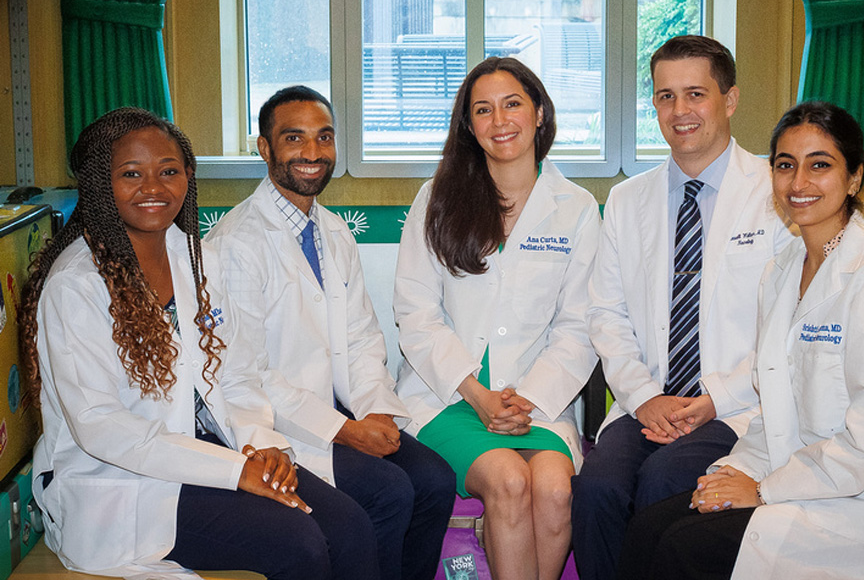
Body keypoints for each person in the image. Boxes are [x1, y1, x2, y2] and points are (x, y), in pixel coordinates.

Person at [20, 107, 378, 580]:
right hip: (125, 481)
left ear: (188, 175)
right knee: (298, 543)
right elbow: (103, 428)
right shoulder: (77, 284)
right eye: (131, 174)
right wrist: (235, 472)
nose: (153, 187)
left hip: (212, 449)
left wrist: (262, 446)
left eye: (168, 171)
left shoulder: (195, 256)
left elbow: (237, 373)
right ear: (99, 185)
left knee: (350, 525)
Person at [618, 101, 864, 580]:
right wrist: (730, 474)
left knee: (684, 547)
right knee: (648, 526)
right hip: (804, 475)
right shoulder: (783, 271)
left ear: (855, 178)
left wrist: (764, 491)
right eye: (785, 165)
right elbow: (772, 404)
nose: (799, 183)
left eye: (820, 165)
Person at [206, 86, 455, 580]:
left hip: (344, 406)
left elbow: (363, 337)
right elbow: (247, 375)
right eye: (294, 138)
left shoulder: (334, 231)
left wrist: (376, 411)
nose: (313, 153)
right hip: (279, 425)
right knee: (390, 492)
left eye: (324, 137)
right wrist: (346, 431)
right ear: (264, 148)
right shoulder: (234, 244)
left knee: (435, 480)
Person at [571, 35, 795, 578]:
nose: (680, 111)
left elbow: (787, 326)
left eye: (695, 93)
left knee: (666, 481)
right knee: (595, 490)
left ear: (731, 100)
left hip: (738, 408)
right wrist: (644, 396)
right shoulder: (628, 200)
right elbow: (606, 313)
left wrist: (716, 399)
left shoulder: (777, 193)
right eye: (665, 96)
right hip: (646, 400)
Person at [393, 56, 600, 580]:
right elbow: (417, 314)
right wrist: (481, 397)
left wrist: (526, 398)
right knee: (508, 480)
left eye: (512, 104)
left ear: (539, 114)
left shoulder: (576, 208)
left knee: (554, 490)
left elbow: (578, 325)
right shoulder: (437, 198)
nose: (499, 120)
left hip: (538, 399)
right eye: (482, 110)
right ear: (469, 126)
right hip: (450, 395)